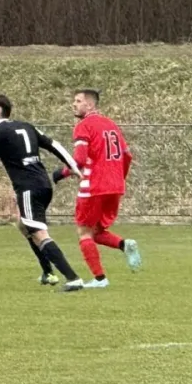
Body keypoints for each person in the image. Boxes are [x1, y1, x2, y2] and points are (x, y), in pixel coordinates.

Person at [0, 94, 84, 292]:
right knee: (23, 224)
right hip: (43, 185)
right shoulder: (26, 126)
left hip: (28, 188)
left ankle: (72, 278)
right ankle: (48, 272)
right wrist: (74, 167)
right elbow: (55, 146)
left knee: (39, 233)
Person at [68, 88, 140, 288]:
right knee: (97, 231)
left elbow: (79, 160)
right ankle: (124, 245)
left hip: (94, 186)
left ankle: (100, 279)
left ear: (90, 104)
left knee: (84, 232)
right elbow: (127, 155)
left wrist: (62, 173)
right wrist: (118, 178)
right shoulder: (111, 124)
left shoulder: (83, 126)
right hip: (115, 186)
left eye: (78, 101)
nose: (74, 104)